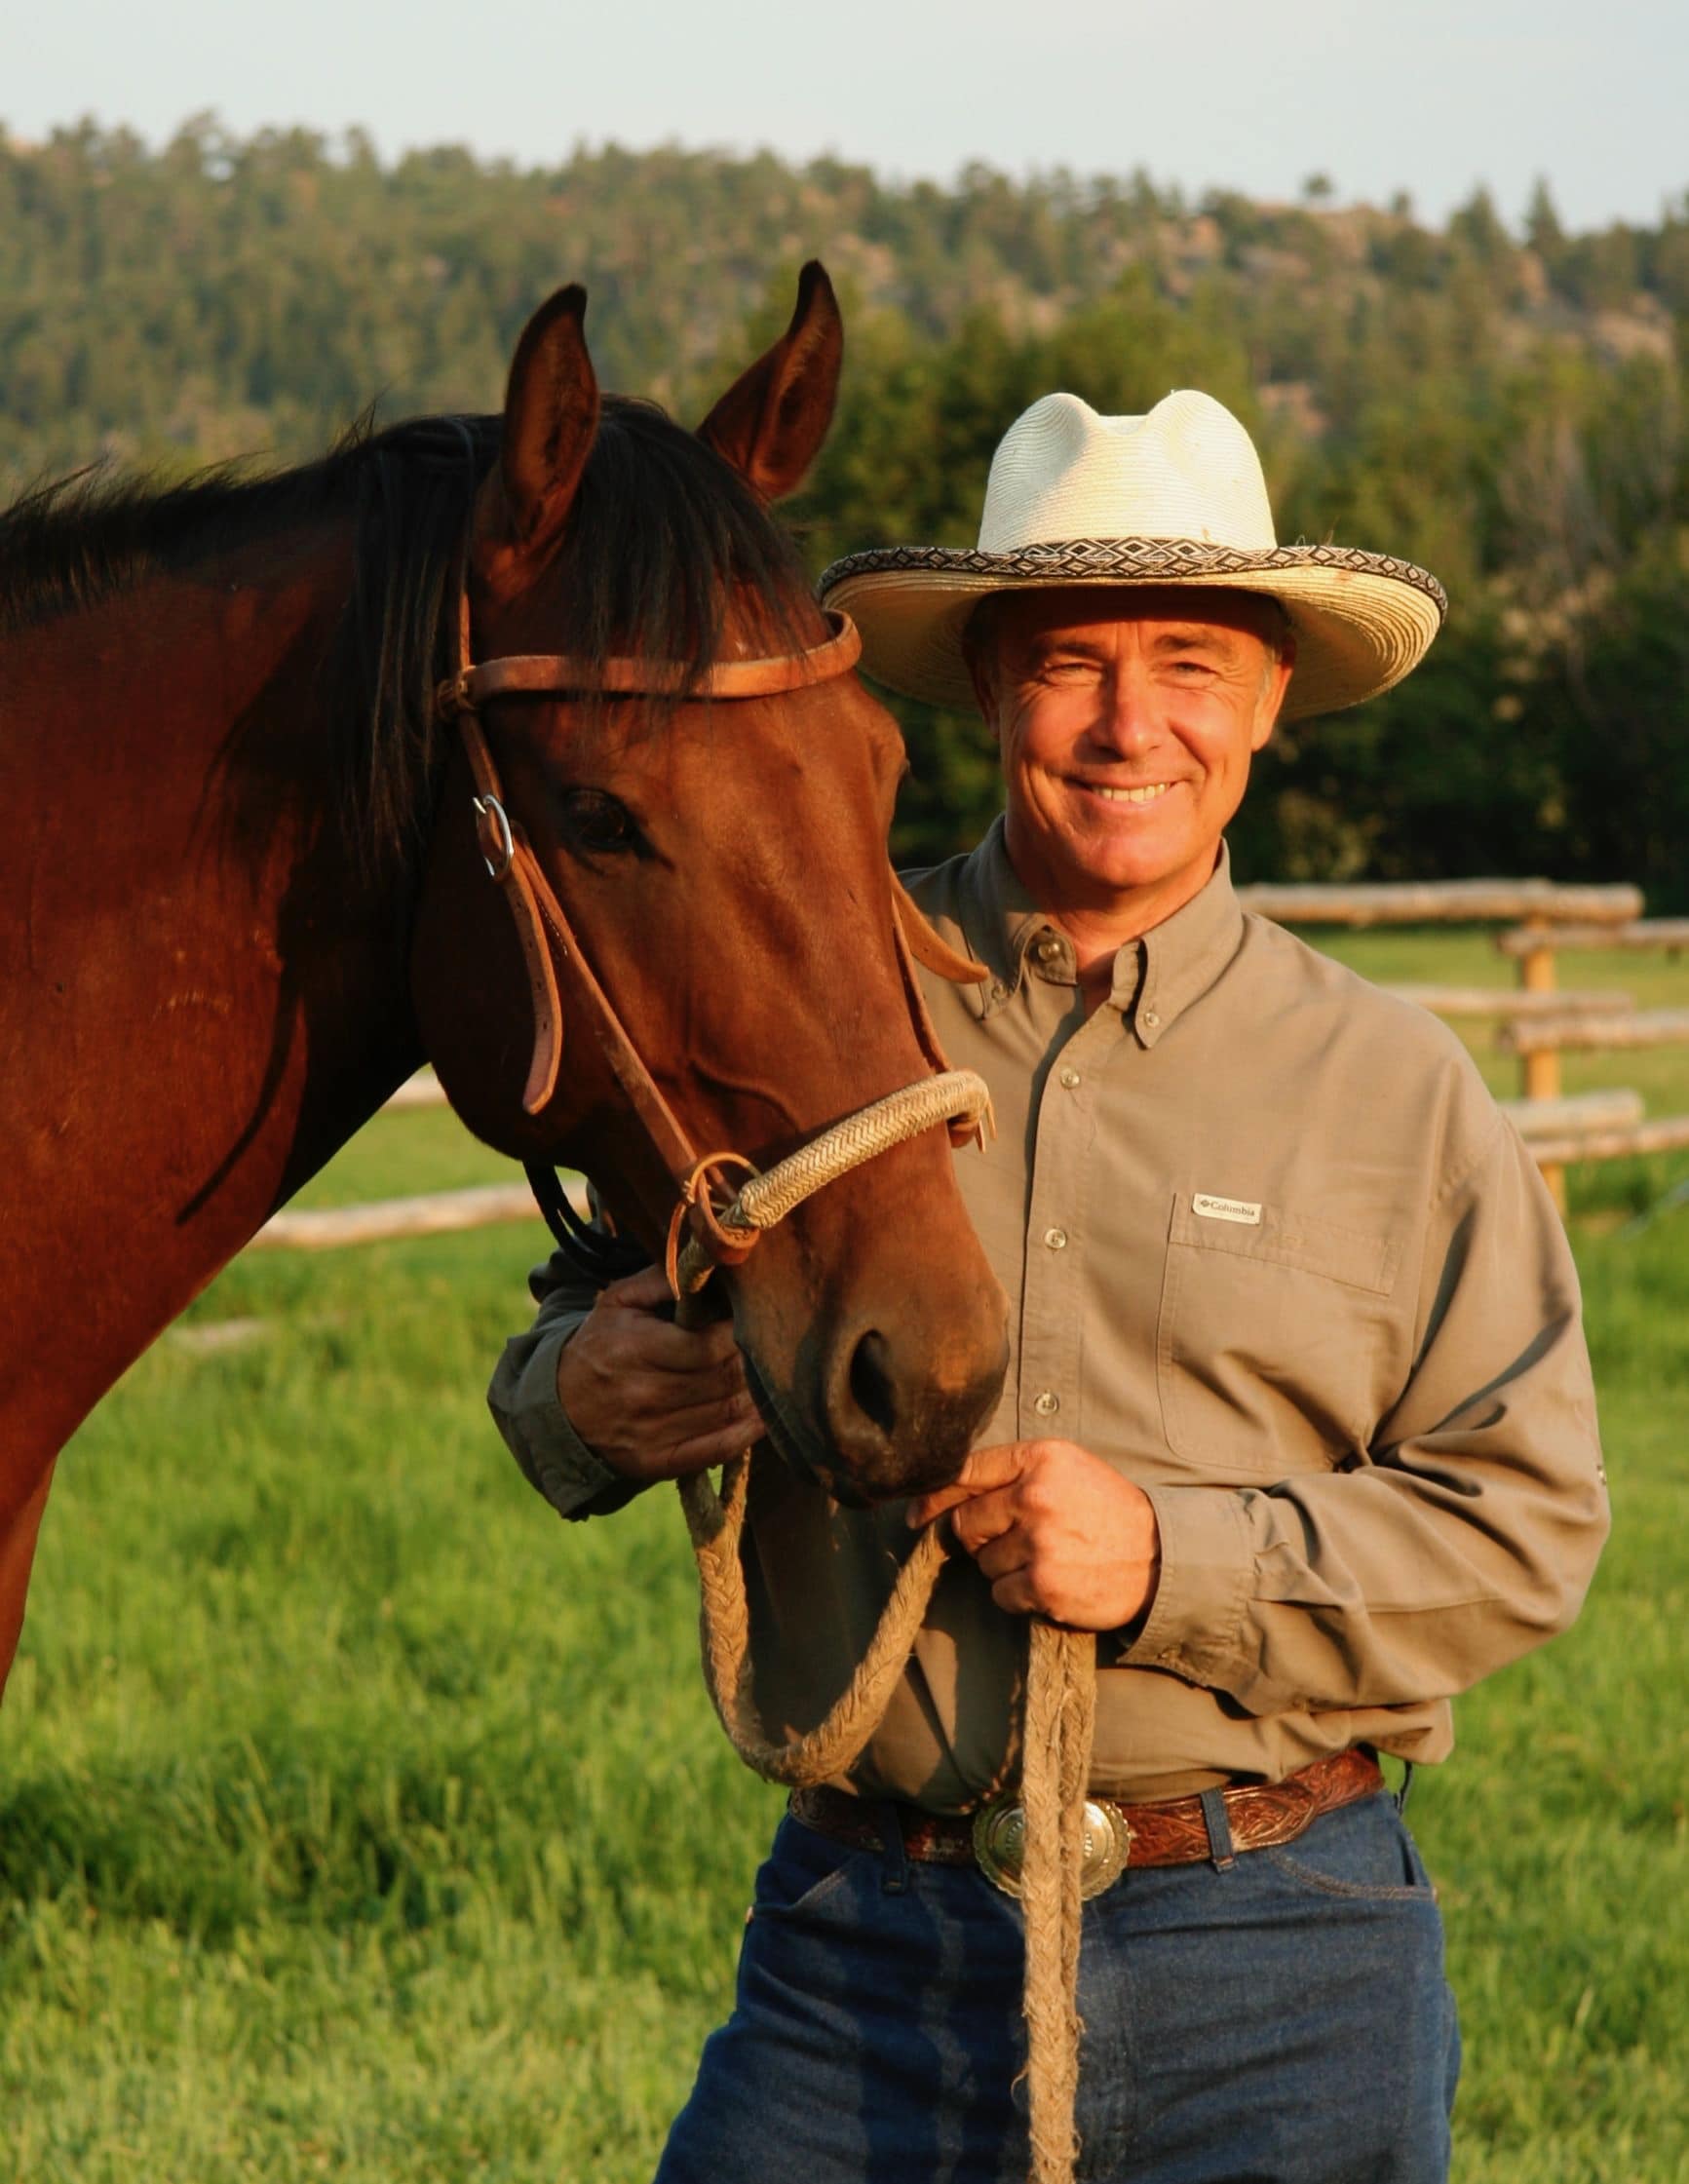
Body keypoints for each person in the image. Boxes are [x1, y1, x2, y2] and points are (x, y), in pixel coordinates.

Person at [489, 388, 1609, 2182]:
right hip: (863, 1944)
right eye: (1068, 658)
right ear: (991, 686)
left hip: (1283, 1947)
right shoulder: (816, 995)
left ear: (1264, 701)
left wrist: (1173, 1559)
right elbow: (579, 1331)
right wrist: (578, 1399)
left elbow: (1524, 1526)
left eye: (1185, 659)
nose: (1123, 721)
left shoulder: (1399, 1091)